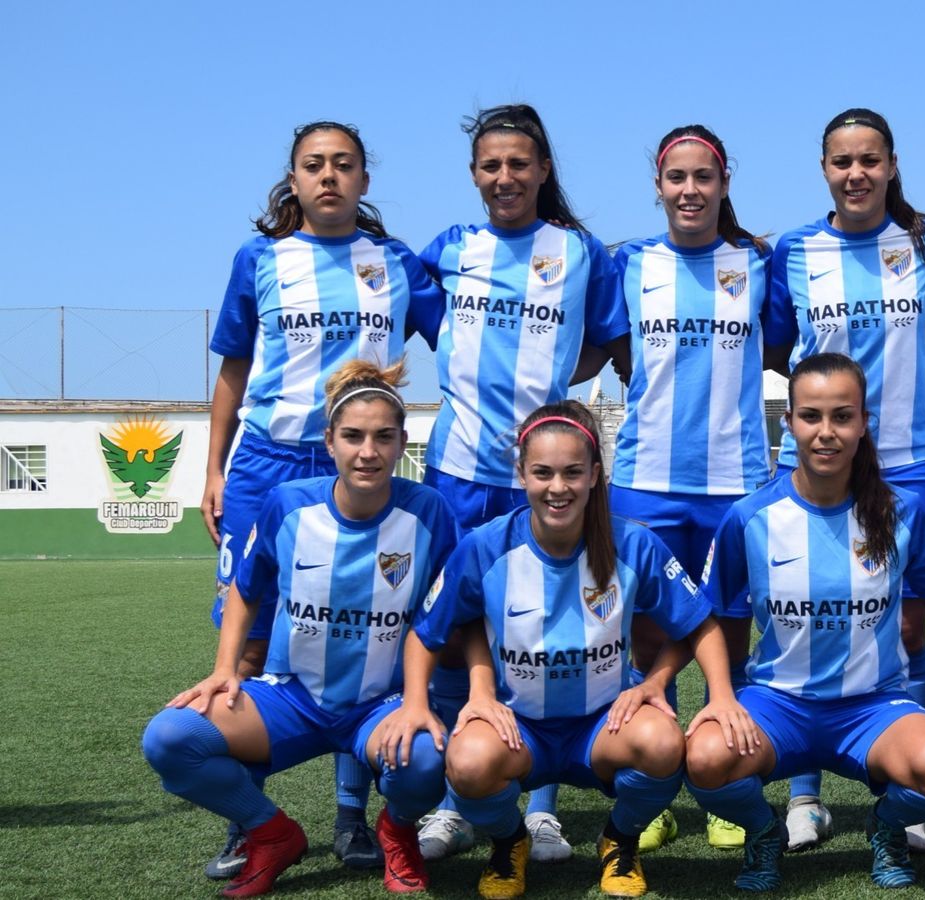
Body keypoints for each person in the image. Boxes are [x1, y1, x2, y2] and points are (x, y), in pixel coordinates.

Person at [200, 121, 445, 877]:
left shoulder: (398, 264)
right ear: (294, 178)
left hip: (362, 454)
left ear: (365, 180)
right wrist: (213, 469)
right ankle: (252, 820)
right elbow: (234, 371)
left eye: (344, 165)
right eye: (314, 165)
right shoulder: (260, 260)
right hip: (271, 463)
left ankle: (354, 816)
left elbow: (463, 339)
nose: (329, 177)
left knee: (368, 629)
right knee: (246, 638)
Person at [143, 359, 459, 897]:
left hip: (378, 705)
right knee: (171, 739)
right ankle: (271, 834)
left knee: (426, 759)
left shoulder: (430, 512)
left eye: (384, 437)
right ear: (329, 441)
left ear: (403, 442)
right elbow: (247, 586)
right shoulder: (289, 505)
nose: (368, 451)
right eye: (353, 436)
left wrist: (416, 699)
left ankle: (396, 831)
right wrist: (225, 670)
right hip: (292, 698)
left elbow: (444, 614)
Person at [414, 403, 755, 899]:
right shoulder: (485, 548)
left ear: (596, 474)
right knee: (467, 762)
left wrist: (691, 691)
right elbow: (429, 631)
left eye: (573, 472)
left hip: (602, 724)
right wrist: (447, 698)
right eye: (543, 473)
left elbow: (698, 622)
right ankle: (510, 842)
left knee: (663, 743)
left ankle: (619, 841)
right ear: (522, 474)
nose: (559, 487)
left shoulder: (633, 544)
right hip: (519, 727)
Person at [413, 103, 631, 865]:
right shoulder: (449, 248)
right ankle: (454, 800)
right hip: (458, 471)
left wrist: (550, 379)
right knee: (450, 636)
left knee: (546, 633)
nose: (504, 177)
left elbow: (607, 339)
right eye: (489, 165)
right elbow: (421, 321)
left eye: (518, 164)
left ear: (543, 169)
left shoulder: (579, 253)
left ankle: (541, 810)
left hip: (542, 476)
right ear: (474, 175)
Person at [684, 354, 925, 891]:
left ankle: (885, 828)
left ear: (864, 424)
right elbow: (716, 623)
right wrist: (722, 699)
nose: (826, 432)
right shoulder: (749, 518)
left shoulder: (901, 512)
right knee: (702, 759)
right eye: (811, 416)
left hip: (872, 706)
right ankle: (763, 831)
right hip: (777, 704)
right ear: (789, 421)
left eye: (842, 416)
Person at [765, 108, 925, 852]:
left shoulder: (924, 240)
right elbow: (783, 347)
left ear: (891, 163)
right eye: (842, 161)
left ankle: (900, 794)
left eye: (870, 160)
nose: (857, 174)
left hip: (906, 458)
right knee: (807, 614)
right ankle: (805, 794)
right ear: (824, 169)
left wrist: (902, 346)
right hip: (815, 461)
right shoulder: (796, 250)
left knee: (908, 624)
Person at [610, 123, 786, 852]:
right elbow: (616, 351)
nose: (689, 190)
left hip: (734, 483)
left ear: (723, 185)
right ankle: (650, 787)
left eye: (703, 178)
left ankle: (722, 782)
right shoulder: (628, 264)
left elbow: (776, 349)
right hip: (643, 482)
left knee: (732, 638)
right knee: (645, 639)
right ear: (658, 186)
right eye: (676, 178)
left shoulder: (755, 265)